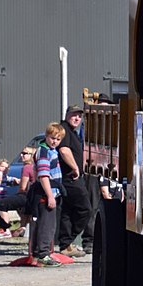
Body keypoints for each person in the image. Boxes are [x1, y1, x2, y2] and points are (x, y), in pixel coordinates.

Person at [56, 106, 94, 257]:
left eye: (79, 116)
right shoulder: (64, 129)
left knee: (67, 212)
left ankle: (66, 244)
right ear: (67, 115)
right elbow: (64, 150)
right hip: (71, 178)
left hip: (70, 178)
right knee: (85, 209)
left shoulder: (72, 131)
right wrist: (75, 168)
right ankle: (68, 241)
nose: (77, 118)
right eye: (74, 115)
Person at [30, 123, 66, 266]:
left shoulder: (52, 151)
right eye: (52, 138)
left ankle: (37, 253)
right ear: (46, 136)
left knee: (45, 224)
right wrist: (50, 196)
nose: (54, 141)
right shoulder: (44, 151)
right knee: (47, 225)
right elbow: (43, 175)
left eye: (58, 139)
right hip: (46, 193)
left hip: (52, 191)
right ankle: (43, 255)